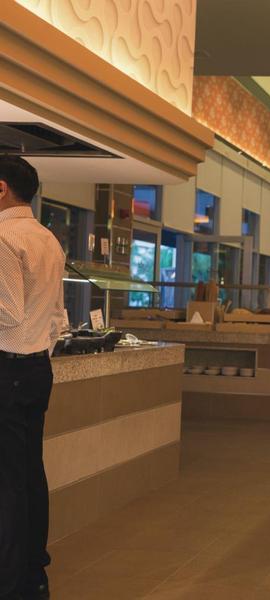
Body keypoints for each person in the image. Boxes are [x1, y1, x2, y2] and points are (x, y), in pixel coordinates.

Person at [0, 155, 66, 600]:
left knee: (8, 479)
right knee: (28, 472)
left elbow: (6, 312)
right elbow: (58, 317)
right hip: (36, 366)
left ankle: (10, 582)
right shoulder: (48, 238)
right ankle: (32, 574)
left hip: (8, 366)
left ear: (1, 188)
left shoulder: (3, 236)